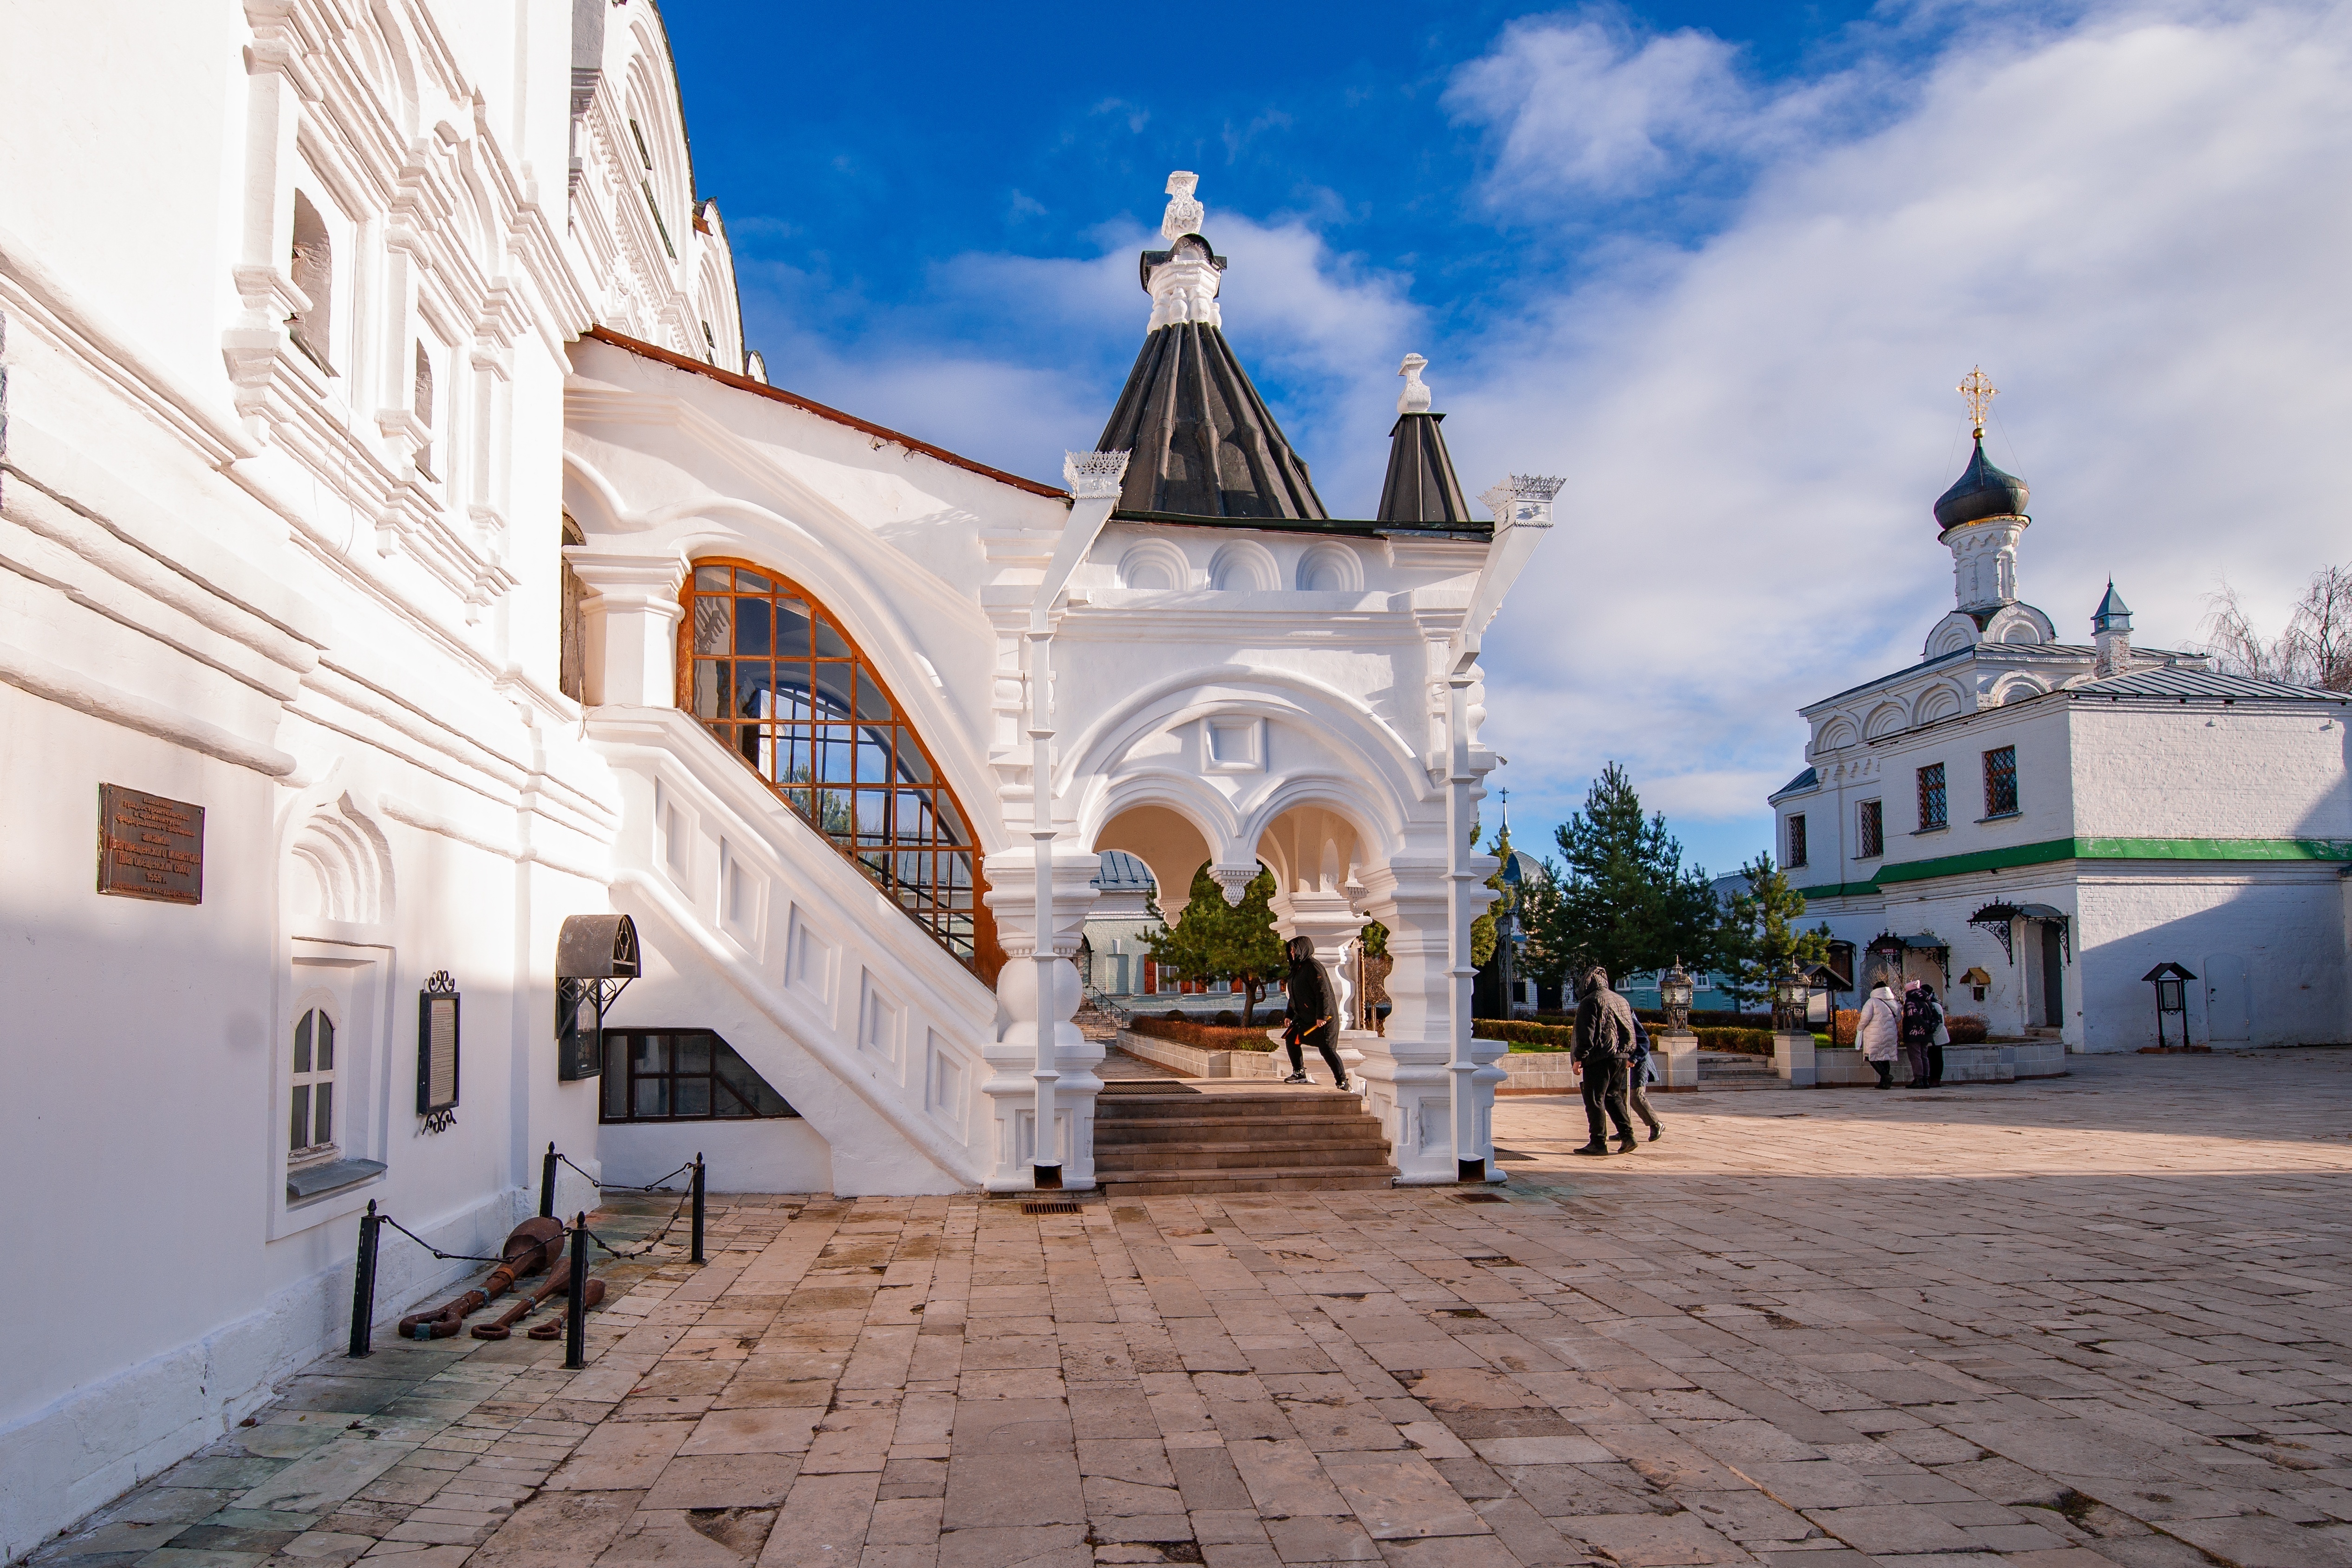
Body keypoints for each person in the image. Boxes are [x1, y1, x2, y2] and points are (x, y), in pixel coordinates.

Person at [1570, 966, 1638, 1154]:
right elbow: (1631, 1029)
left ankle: (1598, 1143)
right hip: (1621, 1056)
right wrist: (1629, 1054)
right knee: (1613, 1096)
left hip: (1600, 1056)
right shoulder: (1620, 999)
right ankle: (1628, 1136)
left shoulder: (1590, 1001)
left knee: (1594, 1099)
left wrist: (1579, 1058)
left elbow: (1587, 1033)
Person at [1280, 937, 1349, 1089]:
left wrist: (1322, 1017)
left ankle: (1343, 1082)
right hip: (1305, 1019)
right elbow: (1294, 996)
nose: (1292, 953)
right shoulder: (1296, 969)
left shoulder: (1313, 967)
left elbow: (1323, 993)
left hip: (1324, 1020)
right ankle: (1299, 1073)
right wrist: (1289, 1015)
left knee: (1327, 1050)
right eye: (1290, 950)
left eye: (1294, 950)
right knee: (1292, 1038)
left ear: (1303, 949)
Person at [1857, 973, 1902, 1088]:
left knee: (1872, 1056)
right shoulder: (1893, 1002)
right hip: (1891, 1034)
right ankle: (1884, 1083)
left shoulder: (1872, 1002)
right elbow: (1899, 1018)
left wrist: (1860, 1028)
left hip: (1874, 1035)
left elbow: (1865, 1018)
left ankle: (1886, 1076)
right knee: (1885, 1057)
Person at [1624, 1010, 1663, 1141]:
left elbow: (1644, 1040)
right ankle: (1624, 1129)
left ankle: (1656, 1124)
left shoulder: (1628, 1016)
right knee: (1621, 1096)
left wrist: (1634, 1058)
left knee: (1636, 1096)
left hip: (1639, 1062)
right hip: (1624, 1061)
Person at [1899, 980, 1938, 1091]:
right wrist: (1931, 1027)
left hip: (1913, 1033)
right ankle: (1925, 1080)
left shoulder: (1911, 1001)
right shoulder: (1927, 1000)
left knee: (1915, 1056)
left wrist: (1924, 1027)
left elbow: (1914, 1016)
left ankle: (1918, 1080)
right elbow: (1937, 1016)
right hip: (1926, 1034)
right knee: (1924, 1055)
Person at [1922, 982, 1949, 1087]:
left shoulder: (1935, 1005)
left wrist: (1933, 1036)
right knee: (1930, 1057)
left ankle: (1936, 1079)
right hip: (1931, 1037)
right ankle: (1931, 1078)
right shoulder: (1928, 1003)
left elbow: (1940, 1023)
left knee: (1937, 1059)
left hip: (1937, 1037)